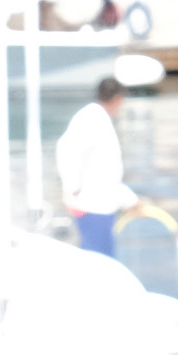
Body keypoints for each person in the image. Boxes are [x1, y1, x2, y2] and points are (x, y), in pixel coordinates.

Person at [57, 75, 137, 259]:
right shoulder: (91, 118)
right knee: (99, 262)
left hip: (101, 205)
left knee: (103, 260)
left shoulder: (98, 118)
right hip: (91, 206)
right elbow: (67, 150)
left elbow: (106, 171)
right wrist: (72, 189)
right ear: (118, 99)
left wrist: (130, 200)